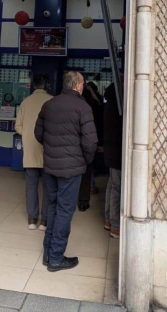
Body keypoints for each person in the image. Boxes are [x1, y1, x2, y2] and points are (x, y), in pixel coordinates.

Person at [35, 71, 97, 272]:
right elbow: (91, 141)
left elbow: (38, 134)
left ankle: (47, 253)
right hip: (71, 170)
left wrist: (53, 149)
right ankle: (56, 257)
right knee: (64, 211)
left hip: (50, 167)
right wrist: (85, 161)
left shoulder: (49, 104)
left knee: (52, 206)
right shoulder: (83, 107)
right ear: (78, 85)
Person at [14, 74, 53, 230]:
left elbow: (18, 126)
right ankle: (45, 221)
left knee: (31, 185)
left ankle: (32, 219)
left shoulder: (26, 101)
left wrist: (28, 135)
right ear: (47, 85)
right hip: (48, 149)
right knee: (49, 186)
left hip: (30, 149)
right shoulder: (52, 100)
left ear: (34, 85)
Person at [77, 81, 104, 211]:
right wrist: (99, 143)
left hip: (75, 144)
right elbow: (99, 124)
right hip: (90, 142)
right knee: (88, 171)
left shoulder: (76, 105)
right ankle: (83, 201)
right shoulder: (94, 106)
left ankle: (72, 198)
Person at [103, 81, 123, 239]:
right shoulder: (120, 105)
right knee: (116, 187)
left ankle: (109, 219)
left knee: (111, 184)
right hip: (118, 150)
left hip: (110, 149)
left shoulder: (109, 103)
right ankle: (115, 226)